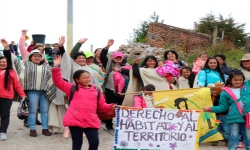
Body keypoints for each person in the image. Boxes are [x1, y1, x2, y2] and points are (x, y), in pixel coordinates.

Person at [51, 55, 117, 150]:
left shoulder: (96, 90)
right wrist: (56, 67)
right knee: (77, 144)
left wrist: (111, 106)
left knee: (94, 143)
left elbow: (102, 106)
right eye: (84, 78)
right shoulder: (72, 88)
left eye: (88, 77)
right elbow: (58, 81)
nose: (87, 79)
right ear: (77, 80)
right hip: (75, 120)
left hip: (91, 120)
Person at [1, 38, 54, 137]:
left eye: (39, 56)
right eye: (35, 56)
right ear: (30, 57)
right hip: (32, 91)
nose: (37, 57)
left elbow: (54, 76)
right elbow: (13, 59)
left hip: (45, 91)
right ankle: (32, 129)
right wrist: (7, 48)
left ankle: (45, 128)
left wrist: (58, 64)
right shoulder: (25, 64)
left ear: (41, 57)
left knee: (44, 110)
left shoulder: (46, 66)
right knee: (33, 110)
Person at [203, 69, 250, 150]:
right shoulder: (225, 92)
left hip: (248, 117)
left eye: (240, 80)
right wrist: (210, 108)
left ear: (243, 80)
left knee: (249, 140)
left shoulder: (247, 86)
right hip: (234, 118)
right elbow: (223, 107)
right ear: (230, 80)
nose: (238, 82)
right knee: (233, 140)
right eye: (235, 80)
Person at [100, 39, 130, 131]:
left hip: (123, 91)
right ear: (113, 58)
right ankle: (109, 124)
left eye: (120, 58)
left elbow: (131, 73)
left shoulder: (127, 65)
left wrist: (120, 70)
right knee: (110, 107)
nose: (118, 59)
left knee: (121, 107)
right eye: (116, 57)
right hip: (110, 90)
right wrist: (107, 46)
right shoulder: (109, 64)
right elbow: (102, 57)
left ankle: (121, 124)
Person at [0, 48, 26, 141]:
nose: (2, 63)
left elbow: (17, 85)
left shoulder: (11, 72)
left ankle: (3, 132)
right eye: (1, 62)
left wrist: (23, 95)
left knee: (5, 115)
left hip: (7, 97)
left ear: (7, 63)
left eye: (4, 62)